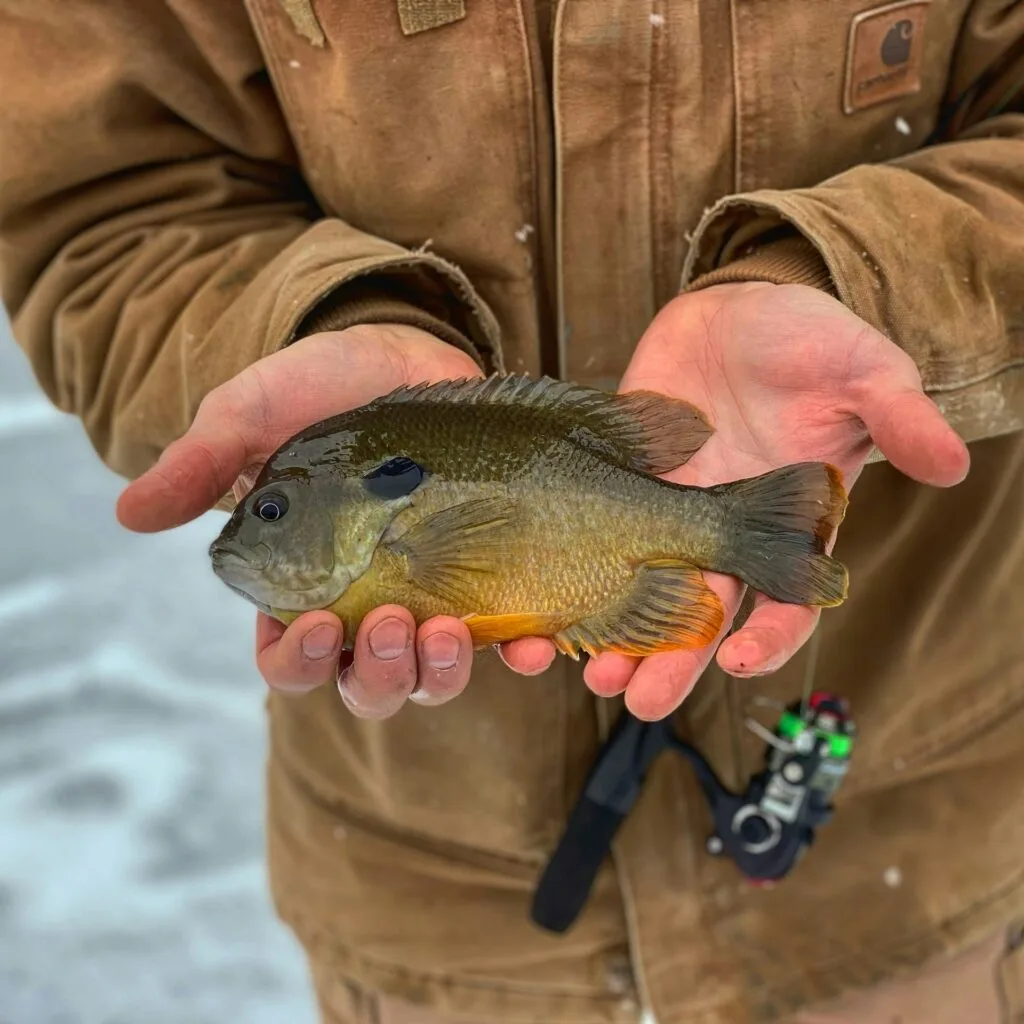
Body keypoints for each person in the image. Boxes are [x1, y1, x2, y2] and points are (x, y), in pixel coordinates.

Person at [1, 2, 1022, 1021]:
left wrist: (859, 279)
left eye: (272, 513)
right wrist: (306, 322)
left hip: (909, 855)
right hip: (434, 914)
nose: (251, 535)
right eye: (271, 512)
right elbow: (106, 195)